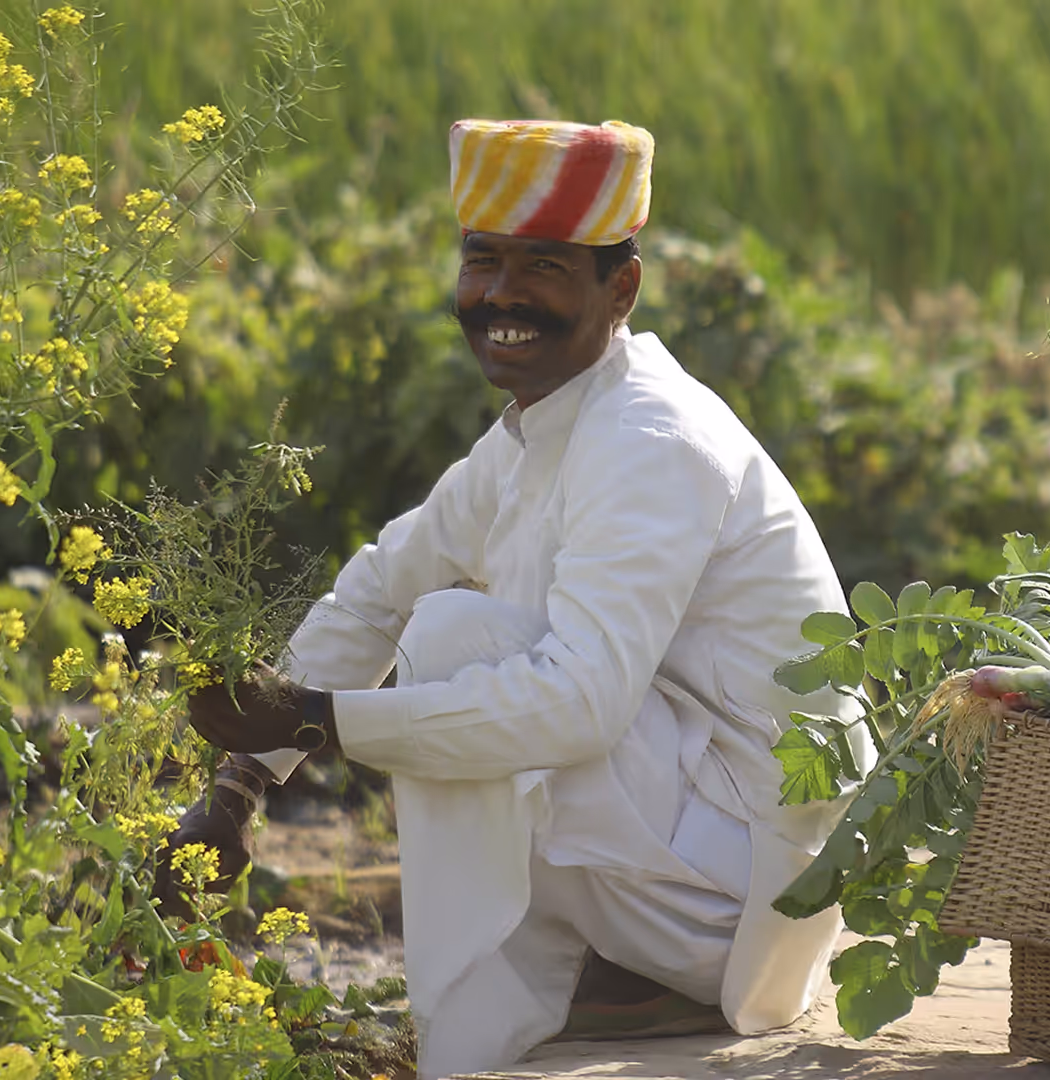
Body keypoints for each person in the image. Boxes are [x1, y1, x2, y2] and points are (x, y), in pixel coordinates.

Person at [156, 118, 866, 1079]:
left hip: (744, 898)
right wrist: (238, 792)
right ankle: (601, 979)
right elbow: (380, 585)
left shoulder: (650, 440)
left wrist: (324, 720)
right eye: (482, 261)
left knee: (459, 642)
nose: (499, 296)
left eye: (543, 268)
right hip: (694, 845)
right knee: (445, 624)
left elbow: (579, 705)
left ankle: (480, 1036)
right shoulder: (548, 424)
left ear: (621, 289)